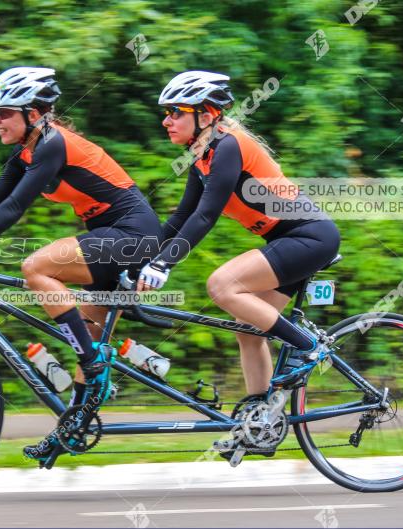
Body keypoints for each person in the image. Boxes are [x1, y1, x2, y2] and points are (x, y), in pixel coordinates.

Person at [0, 67, 163, 461]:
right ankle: (73, 429)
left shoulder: (53, 143)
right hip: (110, 238)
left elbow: (16, 207)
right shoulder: (26, 151)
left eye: (3, 112)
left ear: (33, 113)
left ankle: (93, 363)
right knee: (87, 329)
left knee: (37, 268)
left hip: (133, 235)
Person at [138, 71, 341, 452]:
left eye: (175, 112)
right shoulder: (204, 156)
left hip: (309, 236)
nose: (166, 121)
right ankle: (261, 425)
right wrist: (139, 258)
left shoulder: (228, 145)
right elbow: (182, 217)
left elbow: (205, 217)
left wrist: (164, 265)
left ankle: (310, 347)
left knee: (221, 285)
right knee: (248, 331)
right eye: (166, 113)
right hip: (288, 240)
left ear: (206, 114)